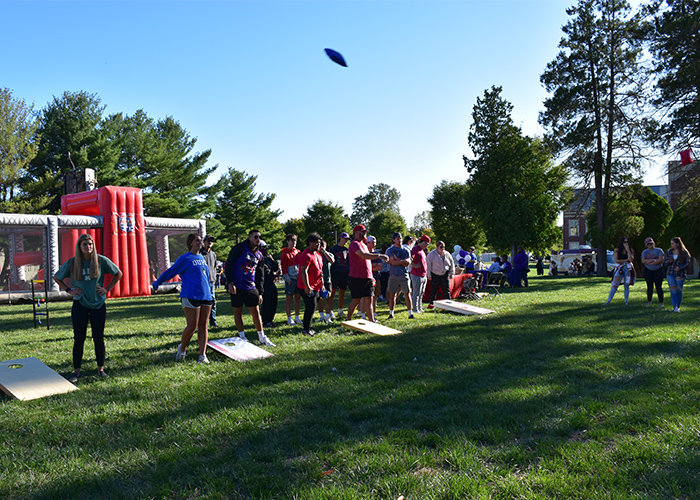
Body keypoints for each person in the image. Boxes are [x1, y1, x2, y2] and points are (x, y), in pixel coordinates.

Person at [53, 234, 123, 381]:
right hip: (80, 304)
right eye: (85, 244)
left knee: (98, 337)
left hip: (98, 304)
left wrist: (107, 288)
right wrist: (68, 290)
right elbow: (57, 277)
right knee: (79, 338)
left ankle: (100, 369)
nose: (88, 247)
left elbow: (118, 273)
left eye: (90, 244)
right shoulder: (73, 263)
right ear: (79, 247)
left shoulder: (101, 261)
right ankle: (76, 371)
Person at [153, 233, 213, 363]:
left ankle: (202, 355)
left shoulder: (202, 257)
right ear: (190, 243)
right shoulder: (185, 258)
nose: (200, 243)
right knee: (192, 325)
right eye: (197, 240)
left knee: (203, 325)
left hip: (206, 296)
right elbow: (170, 272)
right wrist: (157, 283)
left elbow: (206, 277)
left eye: (200, 241)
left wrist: (210, 293)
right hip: (190, 295)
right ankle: (182, 348)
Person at [225, 229, 275, 346]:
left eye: (259, 237)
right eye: (255, 237)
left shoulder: (259, 255)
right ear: (249, 237)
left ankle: (262, 337)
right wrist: (230, 282)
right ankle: (242, 337)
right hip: (237, 285)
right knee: (238, 312)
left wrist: (260, 292)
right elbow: (230, 264)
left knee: (256, 312)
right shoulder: (240, 248)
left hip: (251, 287)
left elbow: (260, 274)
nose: (258, 240)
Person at [347, 226, 389, 322]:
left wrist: (371, 276)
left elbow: (368, 261)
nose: (364, 234)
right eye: (362, 232)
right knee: (356, 300)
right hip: (357, 277)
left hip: (368, 277)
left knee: (369, 300)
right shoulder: (354, 244)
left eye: (365, 232)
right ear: (356, 232)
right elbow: (364, 256)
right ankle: (348, 320)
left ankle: (371, 321)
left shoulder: (364, 245)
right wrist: (379, 255)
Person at [297, 232, 324, 336]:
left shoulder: (317, 254)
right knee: (310, 306)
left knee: (313, 305)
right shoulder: (306, 254)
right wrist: (307, 286)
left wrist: (322, 284)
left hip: (316, 285)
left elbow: (319, 270)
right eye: (316, 243)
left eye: (319, 243)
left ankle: (308, 327)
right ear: (310, 243)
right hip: (307, 286)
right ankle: (306, 329)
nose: (318, 245)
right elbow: (303, 271)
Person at [386, 232, 414, 319]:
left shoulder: (406, 250)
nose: (399, 240)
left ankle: (410, 313)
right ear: (394, 240)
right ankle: (391, 313)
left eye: (400, 238)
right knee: (392, 295)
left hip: (404, 274)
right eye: (397, 239)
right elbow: (393, 262)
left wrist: (398, 260)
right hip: (393, 274)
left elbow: (408, 263)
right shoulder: (390, 250)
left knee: (407, 294)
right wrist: (402, 261)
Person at [605, 237, 635, 305]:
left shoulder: (630, 250)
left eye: (627, 242)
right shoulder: (617, 250)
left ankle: (626, 301)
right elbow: (616, 260)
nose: (626, 243)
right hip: (620, 268)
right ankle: (608, 301)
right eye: (624, 242)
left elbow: (630, 259)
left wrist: (628, 251)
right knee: (615, 284)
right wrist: (625, 260)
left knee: (626, 285)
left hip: (628, 268)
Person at [665, 237, 692, 313]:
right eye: (671, 244)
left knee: (679, 289)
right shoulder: (669, 251)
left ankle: (678, 306)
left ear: (677, 244)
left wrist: (680, 268)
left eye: (673, 243)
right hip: (670, 273)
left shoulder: (684, 252)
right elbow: (665, 262)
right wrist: (669, 261)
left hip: (680, 273)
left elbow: (688, 263)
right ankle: (675, 307)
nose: (671, 245)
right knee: (673, 290)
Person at [280, 234, 302, 326]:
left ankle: (297, 317)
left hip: (298, 279)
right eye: (291, 241)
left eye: (295, 241)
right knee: (289, 299)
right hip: (290, 279)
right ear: (287, 241)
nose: (293, 243)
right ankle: (289, 318)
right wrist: (287, 279)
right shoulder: (284, 254)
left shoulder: (298, 252)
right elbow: (284, 268)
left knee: (298, 298)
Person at [328, 232, 350, 319]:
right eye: (345, 239)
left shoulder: (347, 250)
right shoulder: (333, 249)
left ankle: (340, 310)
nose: (346, 241)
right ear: (340, 238)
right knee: (332, 293)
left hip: (344, 273)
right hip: (335, 273)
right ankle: (330, 311)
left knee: (342, 292)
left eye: (347, 239)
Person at [426, 241, 455, 307]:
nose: (443, 248)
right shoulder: (431, 254)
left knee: (446, 290)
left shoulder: (447, 254)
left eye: (444, 247)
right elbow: (428, 265)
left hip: (445, 274)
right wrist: (429, 275)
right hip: (435, 274)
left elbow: (452, 263)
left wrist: (452, 273)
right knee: (433, 290)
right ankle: (431, 304)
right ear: (437, 247)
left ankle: (449, 304)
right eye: (441, 247)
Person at [200, 234, 219, 327]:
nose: (210, 242)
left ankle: (213, 321)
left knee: (213, 302)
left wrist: (214, 278)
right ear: (204, 242)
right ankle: (202, 322)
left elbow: (214, 267)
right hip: (202, 282)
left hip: (211, 282)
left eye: (212, 241)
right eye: (208, 240)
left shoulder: (213, 254)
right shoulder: (199, 254)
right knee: (202, 303)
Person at [260, 241, 280, 328]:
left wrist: (272, 260)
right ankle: (265, 321)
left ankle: (270, 319)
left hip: (271, 282)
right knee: (266, 303)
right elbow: (265, 271)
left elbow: (275, 267)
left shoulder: (268, 258)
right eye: (264, 248)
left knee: (273, 301)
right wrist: (273, 274)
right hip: (264, 283)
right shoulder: (259, 258)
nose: (266, 250)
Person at [641, 237, 665, 308]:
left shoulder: (659, 250)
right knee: (649, 286)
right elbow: (643, 261)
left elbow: (661, 260)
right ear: (646, 245)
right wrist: (653, 260)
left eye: (651, 243)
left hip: (658, 270)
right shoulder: (645, 252)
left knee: (658, 286)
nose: (650, 245)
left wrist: (649, 262)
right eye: (648, 244)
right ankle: (649, 302)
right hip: (648, 270)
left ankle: (661, 302)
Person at [410, 235, 430, 314]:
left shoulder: (421, 250)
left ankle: (419, 307)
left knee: (421, 293)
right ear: (424, 242)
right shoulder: (415, 249)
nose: (426, 246)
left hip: (423, 274)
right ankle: (415, 309)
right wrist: (414, 265)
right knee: (416, 293)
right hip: (416, 274)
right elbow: (410, 258)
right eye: (427, 244)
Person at [316, 238, 335, 323]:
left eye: (324, 246)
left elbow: (332, 261)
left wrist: (325, 252)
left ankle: (328, 317)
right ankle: (321, 316)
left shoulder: (328, 254)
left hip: (327, 279)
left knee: (327, 297)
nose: (322, 248)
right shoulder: (315, 254)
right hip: (317, 280)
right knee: (318, 299)